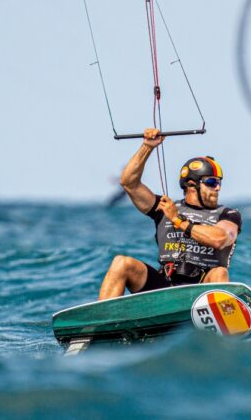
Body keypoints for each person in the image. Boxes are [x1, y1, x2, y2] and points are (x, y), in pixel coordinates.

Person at [98, 128, 242, 300]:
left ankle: (221, 312)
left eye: (219, 183)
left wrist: (178, 220)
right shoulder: (165, 207)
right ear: (191, 184)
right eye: (212, 182)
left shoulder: (228, 214)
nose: (217, 188)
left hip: (201, 292)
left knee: (220, 272)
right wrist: (147, 146)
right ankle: (104, 315)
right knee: (121, 263)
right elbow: (129, 183)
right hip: (165, 286)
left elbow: (220, 239)